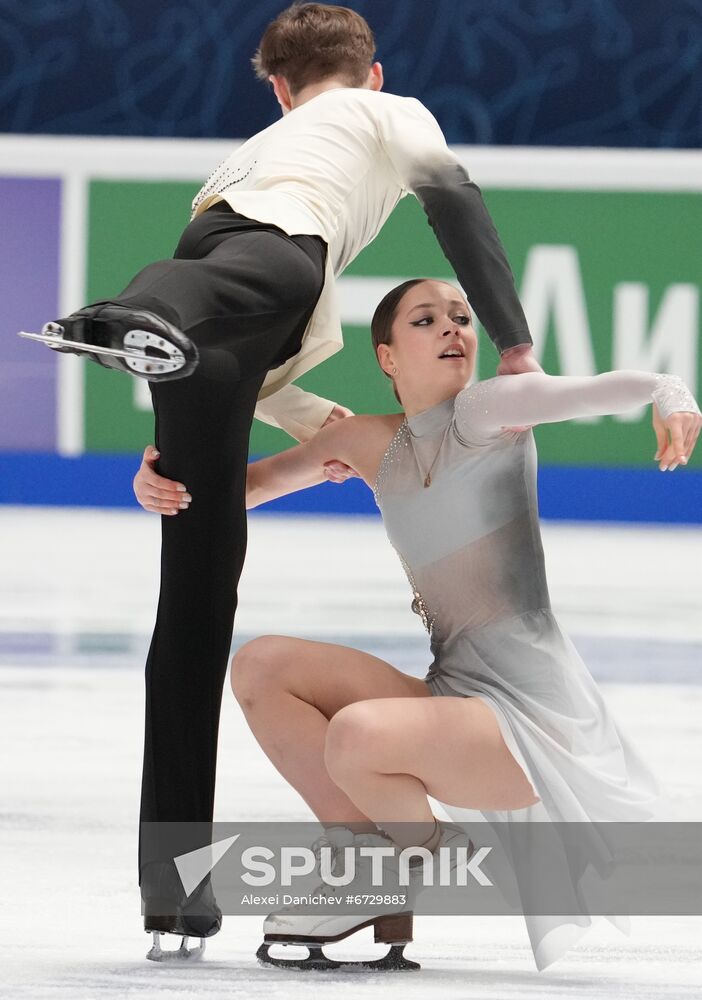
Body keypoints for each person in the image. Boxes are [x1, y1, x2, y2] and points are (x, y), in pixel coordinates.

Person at [22, 3, 556, 955]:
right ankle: (129, 315)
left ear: (277, 88)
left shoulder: (250, 152)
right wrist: (513, 342)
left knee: (189, 612)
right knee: (217, 288)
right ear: (374, 75)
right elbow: (456, 207)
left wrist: (220, 453)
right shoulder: (393, 114)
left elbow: (263, 366)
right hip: (252, 277)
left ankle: (173, 893)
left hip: (211, 327)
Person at [137, 277, 700, 971]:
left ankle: (423, 855)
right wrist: (159, 479)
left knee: (358, 735)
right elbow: (241, 488)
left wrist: (670, 392)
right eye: (426, 320)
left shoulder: (493, 410)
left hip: (532, 723)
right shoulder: (365, 443)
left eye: (462, 318)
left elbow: (599, 390)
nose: (452, 330)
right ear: (387, 358)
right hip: (454, 694)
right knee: (263, 665)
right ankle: (364, 858)